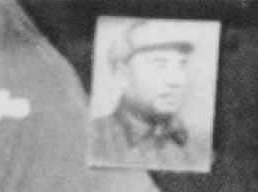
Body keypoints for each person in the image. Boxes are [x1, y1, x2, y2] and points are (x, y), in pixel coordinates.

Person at [88, 19, 210, 171]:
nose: (176, 80)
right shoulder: (93, 140)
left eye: (182, 64)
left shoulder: (203, 144)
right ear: (122, 75)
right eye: (159, 65)